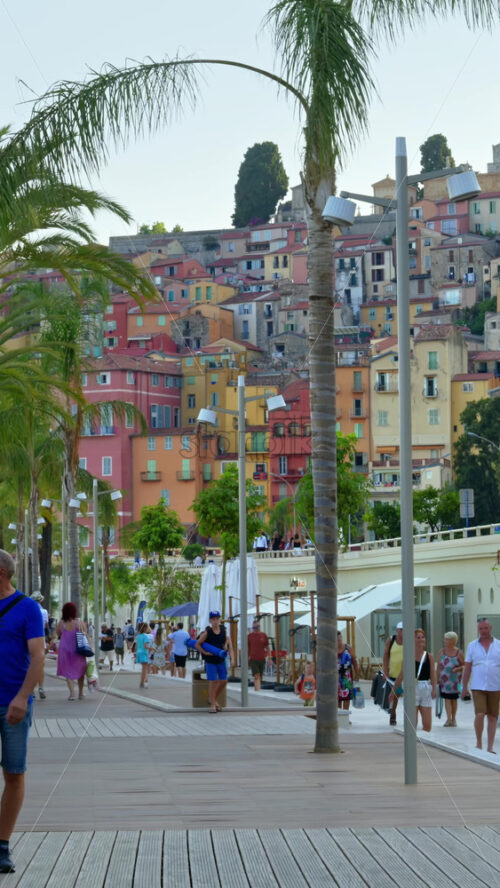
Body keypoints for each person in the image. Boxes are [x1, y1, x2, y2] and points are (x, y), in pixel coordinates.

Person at [0, 550, 45, 875]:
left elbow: (39, 656)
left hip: (13, 703)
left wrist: (22, 698)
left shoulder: (27, 608)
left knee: (14, 773)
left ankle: (2, 845)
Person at [462, 618, 500, 753]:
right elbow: (467, 667)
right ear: (478, 630)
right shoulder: (472, 646)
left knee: (492, 716)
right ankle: (479, 743)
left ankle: (490, 746)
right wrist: (464, 687)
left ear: (490, 628)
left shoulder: (498, 645)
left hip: (495, 686)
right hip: (478, 686)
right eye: (481, 629)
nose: (483, 631)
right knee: (479, 714)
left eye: (486, 628)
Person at [393, 629, 436, 732]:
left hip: (425, 688)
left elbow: (433, 675)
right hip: (412, 689)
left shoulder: (429, 656)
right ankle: (413, 745)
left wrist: (434, 689)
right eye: (418, 637)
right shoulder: (408, 656)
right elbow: (401, 674)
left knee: (427, 725)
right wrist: (393, 690)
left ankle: (423, 743)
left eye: (422, 637)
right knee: (412, 723)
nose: (421, 639)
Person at [196, 611, 233, 712]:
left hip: (221, 660)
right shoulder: (207, 633)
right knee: (213, 682)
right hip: (210, 661)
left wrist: (226, 644)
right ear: (210, 621)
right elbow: (197, 644)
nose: (216, 621)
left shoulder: (223, 630)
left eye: (217, 619)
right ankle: (212, 705)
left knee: (224, 681)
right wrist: (205, 652)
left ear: (220, 620)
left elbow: (226, 639)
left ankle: (213, 699)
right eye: (213, 619)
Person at [56, 602, 88, 701]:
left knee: (68, 671)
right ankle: (81, 693)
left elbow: (58, 632)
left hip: (65, 650)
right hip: (78, 649)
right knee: (81, 671)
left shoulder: (62, 622)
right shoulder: (78, 622)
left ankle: (72, 694)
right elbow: (85, 634)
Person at [437, 631, 464, 727]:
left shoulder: (459, 653)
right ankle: (448, 719)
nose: (445, 641)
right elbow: (439, 666)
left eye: (447, 639)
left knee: (454, 700)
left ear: (453, 641)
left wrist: (457, 668)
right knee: (447, 699)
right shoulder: (441, 652)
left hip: (455, 681)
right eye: (445, 639)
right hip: (444, 681)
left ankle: (454, 719)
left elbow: (464, 666)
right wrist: (437, 679)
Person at [383, 622, 404, 726]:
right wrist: (385, 670)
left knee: (409, 697)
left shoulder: (410, 641)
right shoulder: (391, 640)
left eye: (404, 629)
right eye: (400, 629)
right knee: (394, 697)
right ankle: (393, 715)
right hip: (393, 673)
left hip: (406, 674)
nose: (402, 632)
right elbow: (386, 655)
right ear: (397, 630)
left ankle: (411, 717)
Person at [30, 592, 48, 700]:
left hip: (30, 640)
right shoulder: (44, 611)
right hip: (42, 641)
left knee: (30, 665)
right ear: (40, 600)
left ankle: (31, 690)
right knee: (40, 665)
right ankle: (41, 688)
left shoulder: (29, 610)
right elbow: (46, 626)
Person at [337, 631, 359, 710]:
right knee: (337, 698)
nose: (338, 642)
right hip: (335, 677)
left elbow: (354, 661)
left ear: (341, 638)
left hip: (347, 677)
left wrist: (357, 674)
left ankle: (345, 716)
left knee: (346, 697)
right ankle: (339, 717)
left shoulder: (348, 647)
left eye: (339, 640)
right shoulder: (331, 649)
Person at [247, 621, 270, 691]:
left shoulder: (263, 635)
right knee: (256, 675)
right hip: (253, 659)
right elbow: (248, 649)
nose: (255, 629)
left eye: (256, 627)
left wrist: (270, 658)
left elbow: (267, 647)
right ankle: (257, 690)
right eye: (253, 627)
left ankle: (256, 689)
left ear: (259, 627)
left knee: (260, 676)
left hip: (262, 659)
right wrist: (247, 661)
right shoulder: (249, 636)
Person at [135, 622, 151, 688]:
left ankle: (144, 681)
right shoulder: (145, 636)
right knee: (144, 669)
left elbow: (136, 646)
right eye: (147, 627)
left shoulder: (138, 636)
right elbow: (145, 646)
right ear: (144, 628)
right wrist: (152, 648)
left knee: (144, 668)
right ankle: (142, 683)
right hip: (144, 653)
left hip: (138, 652)